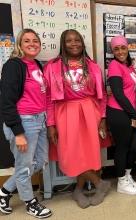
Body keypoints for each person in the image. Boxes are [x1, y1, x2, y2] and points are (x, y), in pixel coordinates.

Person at [45, 29, 110, 209]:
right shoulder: (52, 66)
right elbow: (48, 97)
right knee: (71, 153)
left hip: (90, 111)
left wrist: (103, 117)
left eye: (77, 40)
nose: (74, 43)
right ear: (63, 44)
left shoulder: (93, 66)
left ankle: (78, 190)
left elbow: (102, 95)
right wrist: (50, 124)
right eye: (69, 41)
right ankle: (99, 183)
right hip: (65, 112)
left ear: (82, 43)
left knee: (89, 153)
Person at [0, 29, 52, 218]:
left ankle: (4, 191)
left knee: (40, 161)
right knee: (24, 166)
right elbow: (6, 101)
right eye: (27, 40)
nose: (32, 43)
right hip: (24, 121)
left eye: (35, 40)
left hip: (40, 119)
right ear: (20, 45)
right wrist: (18, 132)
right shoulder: (13, 66)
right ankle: (30, 203)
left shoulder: (36, 64)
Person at [106, 35, 136, 195]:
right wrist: (135, 115)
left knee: (135, 146)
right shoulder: (114, 65)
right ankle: (121, 181)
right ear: (112, 51)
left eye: (123, 47)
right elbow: (118, 94)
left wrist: (135, 113)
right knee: (123, 148)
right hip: (119, 113)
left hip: (130, 112)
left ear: (128, 48)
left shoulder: (129, 67)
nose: (120, 51)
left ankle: (127, 175)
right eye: (116, 49)